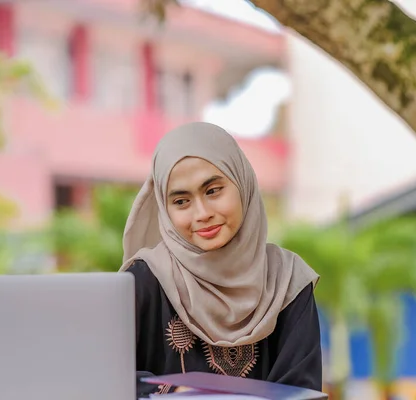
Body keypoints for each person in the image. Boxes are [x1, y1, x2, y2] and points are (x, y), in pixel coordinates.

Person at [119, 122, 323, 398]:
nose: (202, 213)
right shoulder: (144, 280)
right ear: (164, 209)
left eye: (213, 190)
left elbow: (301, 389)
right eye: (181, 201)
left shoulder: (286, 281)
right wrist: (175, 392)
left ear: (242, 182)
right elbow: (108, 375)